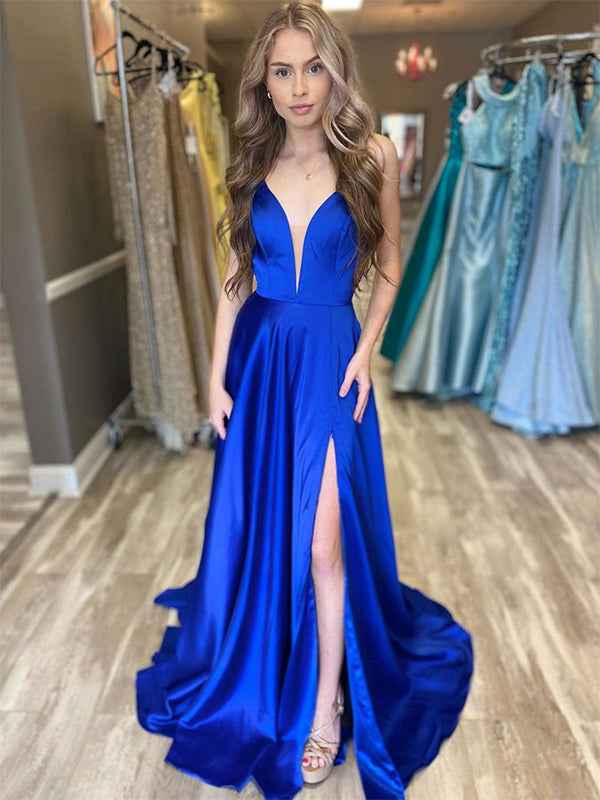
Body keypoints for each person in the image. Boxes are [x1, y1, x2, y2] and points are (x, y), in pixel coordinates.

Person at [135, 3, 474, 799]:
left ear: (335, 72)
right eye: (283, 71)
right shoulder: (252, 161)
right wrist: (215, 376)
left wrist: (367, 347)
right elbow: (235, 279)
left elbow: (388, 265)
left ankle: (326, 705)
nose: (298, 87)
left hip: (329, 359)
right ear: (264, 81)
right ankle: (271, 654)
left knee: (324, 545)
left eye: (313, 68)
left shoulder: (371, 155)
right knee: (267, 527)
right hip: (260, 361)